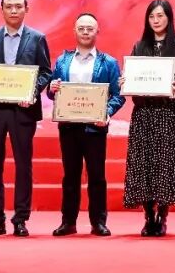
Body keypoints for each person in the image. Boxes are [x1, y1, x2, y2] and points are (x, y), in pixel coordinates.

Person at [0, 0, 52, 237]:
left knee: (23, 166)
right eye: (9, 6)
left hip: (23, 111)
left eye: (18, 6)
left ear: (26, 9)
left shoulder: (37, 38)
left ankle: (20, 219)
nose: (14, 10)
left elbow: (46, 72)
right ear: (2, 10)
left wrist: (33, 92)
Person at [122, 0, 175, 236]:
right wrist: (126, 81)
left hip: (168, 113)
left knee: (165, 164)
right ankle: (148, 216)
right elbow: (131, 76)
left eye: (160, 16)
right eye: (152, 16)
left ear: (169, 18)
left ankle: (162, 216)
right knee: (144, 163)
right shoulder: (139, 46)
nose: (156, 20)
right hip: (144, 113)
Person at [47, 12, 125, 237]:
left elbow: (118, 95)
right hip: (68, 127)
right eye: (81, 28)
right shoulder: (62, 61)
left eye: (90, 28)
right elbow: (52, 92)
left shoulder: (108, 62)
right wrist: (51, 88)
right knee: (70, 176)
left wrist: (106, 113)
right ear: (74, 31)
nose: (85, 32)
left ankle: (98, 222)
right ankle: (68, 222)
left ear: (97, 31)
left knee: (97, 176)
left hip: (95, 128)